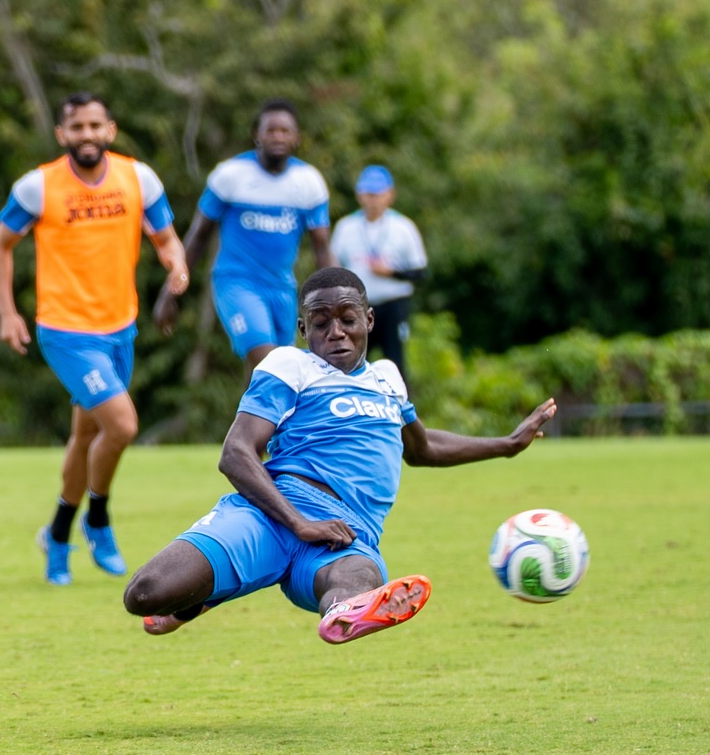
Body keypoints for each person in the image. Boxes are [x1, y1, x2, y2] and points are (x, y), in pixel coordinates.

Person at [124, 266, 556, 644]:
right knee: (144, 594)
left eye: (348, 319)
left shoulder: (388, 378)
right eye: (320, 323)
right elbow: (236, 453)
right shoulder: (289, 365)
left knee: (356, 580)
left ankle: (343, 613)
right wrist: (299, 522)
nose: (336, 332)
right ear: (303, 329)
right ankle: (196, 600)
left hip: (344, 535)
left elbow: (422, 449)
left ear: (368, 320)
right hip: (273, 515)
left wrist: (506, 444)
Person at [0, 92, 189, 586]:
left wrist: (177, 264)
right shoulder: (38, 187)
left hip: (120, 328)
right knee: (121, 425)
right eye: (77, 127)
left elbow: (165, 237)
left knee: (85, 437)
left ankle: (57, 534)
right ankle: (97, 519)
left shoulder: (139, 178)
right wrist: (8, 311)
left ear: (110, 130)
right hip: (65, 330)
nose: (87, 135)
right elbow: (0, 246)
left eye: (95, 125)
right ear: (63, 135)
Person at [153, 99, 337, 386]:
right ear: (257, 135)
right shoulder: (230, 175)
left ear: (296, 137)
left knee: (272, 372)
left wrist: (339, 296)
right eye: (271, 130)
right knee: (270, 362)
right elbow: (198, 237)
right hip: (236, 282)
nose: (278, 136)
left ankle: (260, 430)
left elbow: (322, 248)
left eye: (285, 131)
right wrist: (170, 292)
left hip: (282, 288)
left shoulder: (309, 182)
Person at [330, 165, 428, 372]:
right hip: (357, 306)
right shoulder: (346, 227)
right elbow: (333, 268)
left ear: (390, 195)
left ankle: (398, 403)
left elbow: (420, 272)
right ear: (359, 195)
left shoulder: (403, 227)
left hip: (393, 305)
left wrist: (391, 272)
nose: (372, 199)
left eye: (378, 194)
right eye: (368, 193)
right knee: (350, 362)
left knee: (394, 363)